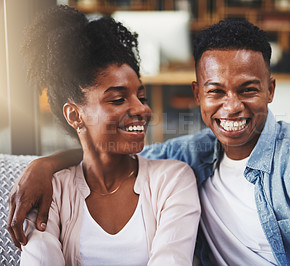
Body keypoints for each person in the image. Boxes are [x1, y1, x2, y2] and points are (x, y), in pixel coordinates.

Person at [8, 18, 290, 265]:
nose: (232, 107)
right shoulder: (190, 157)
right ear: (197, 93)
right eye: (216, 91)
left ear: (271, 90)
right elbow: (107, 153)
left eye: (248, 90)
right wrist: (43, 164)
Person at [12, 5, 200, 265]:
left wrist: (45, 163)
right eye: (118, 99)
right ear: (75, 116)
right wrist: (43, 166)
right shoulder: (50, 191)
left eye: (141, 96)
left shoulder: (171, 181)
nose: (142, 109)